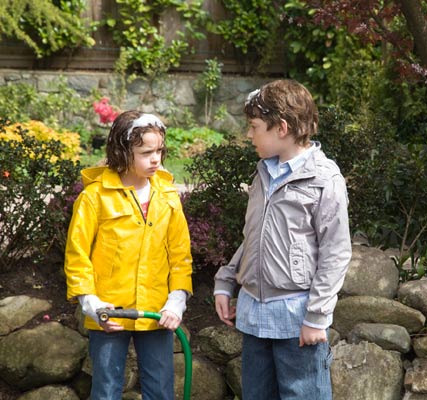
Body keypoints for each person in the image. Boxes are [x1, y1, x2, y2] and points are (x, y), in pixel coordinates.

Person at [213, 79, 352, 399]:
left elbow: (336, 253)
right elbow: (255, 237)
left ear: (282, 128)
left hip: (298, 321)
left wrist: (317, 317)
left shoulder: (324, 179)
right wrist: (226, 280)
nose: (249, 135)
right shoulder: (263, 172)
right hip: (254, 318)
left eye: (254, 126)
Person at [64, 110, 193, 400]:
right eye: (146, 152)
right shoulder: (94, 197)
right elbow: (77, 254)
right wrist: (91, 302)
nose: (156, 158)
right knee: (107, 389)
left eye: (159, 150)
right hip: (109, 313)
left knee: (160, 389)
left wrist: (177, 298)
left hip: (157, 312)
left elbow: (180, 255)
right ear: (122, 152)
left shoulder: (168, 197)